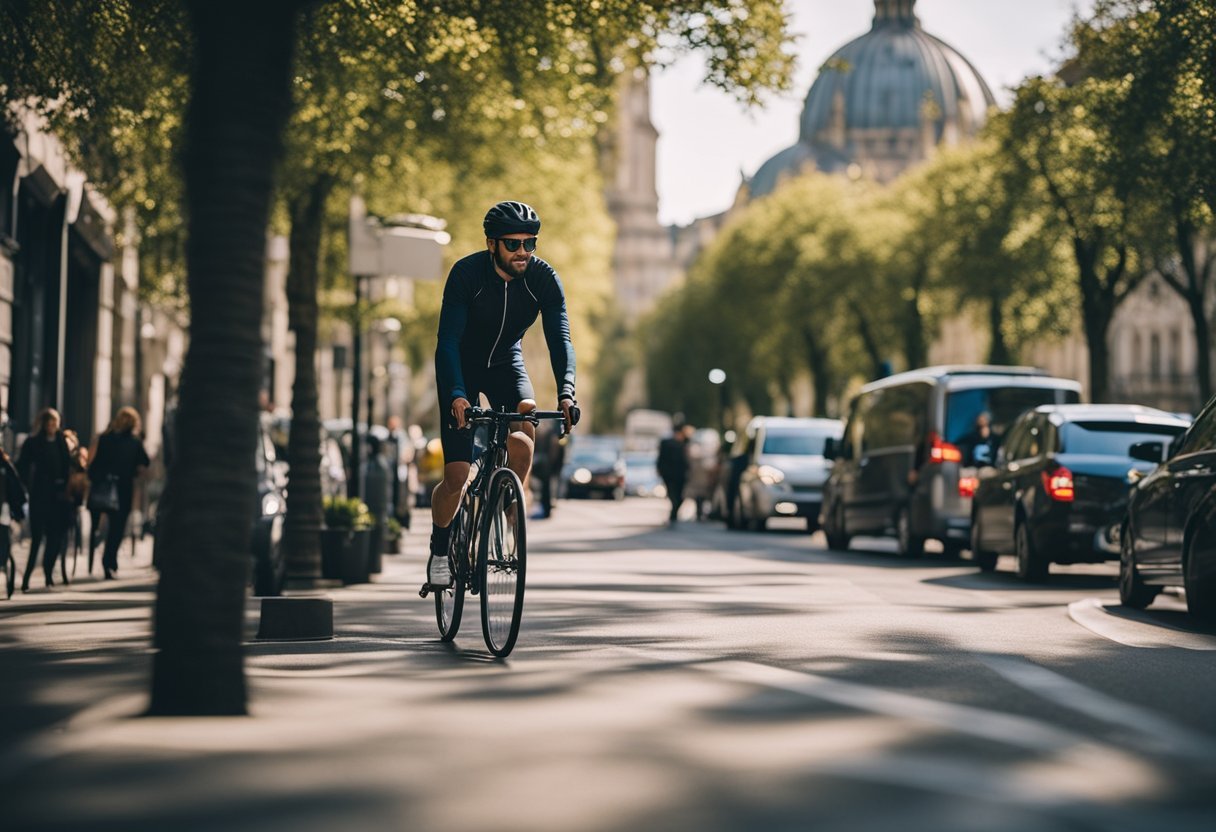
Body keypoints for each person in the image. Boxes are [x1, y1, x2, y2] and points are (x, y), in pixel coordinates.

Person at [425, 200, 579, 590]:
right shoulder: (467, 274)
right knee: (457, 474)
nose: (523, 252)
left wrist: (566, 392)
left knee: (525, 420)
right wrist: (458, 394)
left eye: (531, 243)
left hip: (506, 363)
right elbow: (447, 341)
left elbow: (559, 337)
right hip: (461, 365)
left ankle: (508, 506)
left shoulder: (542, 278)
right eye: (513, 244)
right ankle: (441, 548)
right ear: (492, 244)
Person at [88, 407, 150, 580]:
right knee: (118, 528)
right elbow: (145, 462)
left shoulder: (105, 439)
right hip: (124, 488)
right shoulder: (134, 442)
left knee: (103, 523)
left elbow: (95, 464)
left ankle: (101, 551)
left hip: (104, 485)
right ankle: (109, 562)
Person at [16, 408, 73, 591]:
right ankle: (26, 578)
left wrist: (64, 486)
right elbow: (22, 466)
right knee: (37, 538)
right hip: (39, 496)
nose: (51, 427)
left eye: (54, 423)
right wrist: (28, 486)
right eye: (49, 423)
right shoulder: (33, 443)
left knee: (54, 537)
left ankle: (48, 574)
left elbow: (67, 466)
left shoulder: (61, 443)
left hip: (57, 497)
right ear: (43, 424)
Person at [1, 444, 28, 598]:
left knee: (3, 542)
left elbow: (15, 487)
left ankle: (4, 560)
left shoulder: (4, 464)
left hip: (2, 512)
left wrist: (17, 510)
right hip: (3, 512)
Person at [657, 422, 693, 525]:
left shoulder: (684, 443)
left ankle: (674, 514)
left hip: (679, 475)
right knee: (674, 496)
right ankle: (673, 515)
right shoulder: (668, 443)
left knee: (679, 496)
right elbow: (661, 458)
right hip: (670, 475)